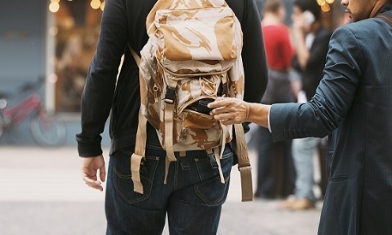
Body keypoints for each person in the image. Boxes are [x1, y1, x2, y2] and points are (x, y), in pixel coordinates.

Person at [75, 0, 268, 234]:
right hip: (209, 148)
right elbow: (258, 76)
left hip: (139, 146)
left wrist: (89, 143)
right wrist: (233, 134)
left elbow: (103, 70)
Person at [208, 0, 392, 234]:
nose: (343, 1)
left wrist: (247, 111)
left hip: (364, 200)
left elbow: (321, 115)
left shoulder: (353, 37)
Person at [279, 0, 332, 210]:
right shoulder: (309, 37)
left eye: (298, 14)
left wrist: (299, 36)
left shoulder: (325, 36)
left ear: (310, 15)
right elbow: (294, 62)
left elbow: (306, 63)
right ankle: (305, 192)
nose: (294, 18)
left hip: (321, 103)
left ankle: (306, 195)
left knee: (302, 145)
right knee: (302, 145)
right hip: (307, 100)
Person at [253, 0, 296, 199]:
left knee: (264, 141)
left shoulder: (258, 29)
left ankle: (264, 187)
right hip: (279, 89)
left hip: (263, 89)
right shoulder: (281, 31)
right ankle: (286, 185)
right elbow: (289, 60)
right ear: (279, 10)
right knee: (287, 134)